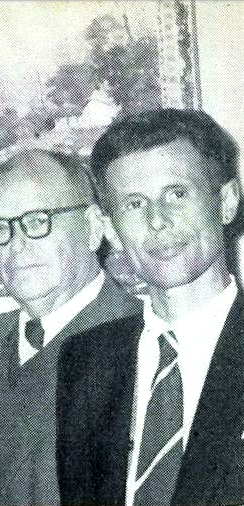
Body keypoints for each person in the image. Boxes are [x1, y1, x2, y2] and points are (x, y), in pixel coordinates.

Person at [0, 150, 139, 506]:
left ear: (93, 228)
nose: (17, 244)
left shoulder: (142, 342)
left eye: (38, 221)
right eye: (0, 228)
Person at [57, 108, 244, 506]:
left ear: (226, 202)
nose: (157, 220)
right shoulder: (87, 360)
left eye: (177, 194)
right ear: (111, 229)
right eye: (134, 204)